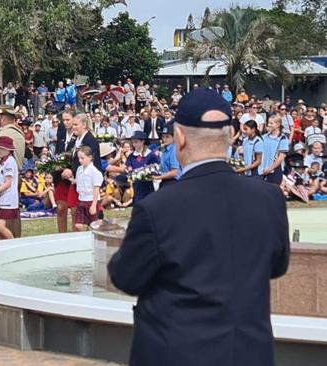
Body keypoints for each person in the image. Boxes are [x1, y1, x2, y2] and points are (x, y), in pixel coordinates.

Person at [109, 88, 289, 366]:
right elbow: (278, 266)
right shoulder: (269, 198)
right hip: (249, 354)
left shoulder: (158, 207)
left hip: (177, 354)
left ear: (180, 138)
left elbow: (126, 277)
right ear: (230, 136)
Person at [73, 146, 103, 231]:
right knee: (78, 225)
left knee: (94, 226)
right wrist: (71, 179)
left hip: (92, 200)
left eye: (82, 158)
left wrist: (93, 205)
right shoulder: (79, 169)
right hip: (81, 199)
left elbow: (96, 190)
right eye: (79, 158)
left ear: (90, 157)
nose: (80, 160)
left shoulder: (95, 172)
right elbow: (78, 182)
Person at [126, 131, 159, 202]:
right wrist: (131, 173)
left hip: (149, 185)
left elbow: (157, 167)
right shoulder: (131, 156)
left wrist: (149, 173)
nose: (134, 144)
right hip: (137, 186)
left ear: (143, 141)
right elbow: (129, 168)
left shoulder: (151, 155)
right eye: (133, 142)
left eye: (136, 142)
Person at [260, 115, 289, 185]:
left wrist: (269, 169)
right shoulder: (264, 137)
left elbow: (281, 157)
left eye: (271, 123)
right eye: (268, 123)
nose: (269, 125)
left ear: (278, 124)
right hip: (262, 169)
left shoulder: (283, 139)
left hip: (275, 170)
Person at [154, 123, 181, 187]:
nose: (164, 139)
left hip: (173, 182)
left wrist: (158, 177)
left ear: (174, 137)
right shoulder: (166, 149)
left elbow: (175, 172)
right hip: (166, 181)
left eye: (167, 137)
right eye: (163, 136)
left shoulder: (174, 149)